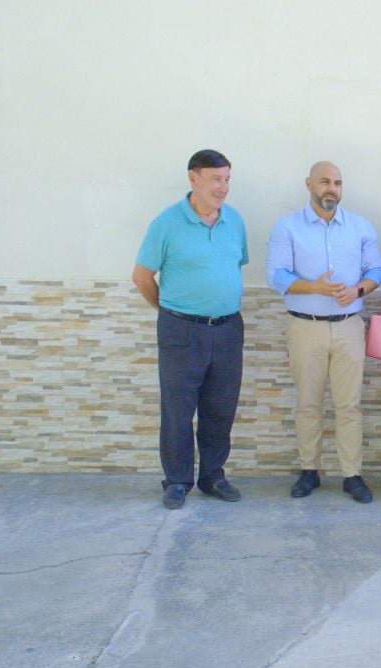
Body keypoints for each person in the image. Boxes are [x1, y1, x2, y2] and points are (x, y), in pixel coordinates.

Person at [132, 149, 248, 509]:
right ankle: (178, 480)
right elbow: (142, 277)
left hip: (228, 329)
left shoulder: (235, 222)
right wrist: (169, 311)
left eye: (227, 179)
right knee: (178, 408)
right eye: (216, 179)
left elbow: (234, 267)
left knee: (220, 406)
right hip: (181, 330)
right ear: (193, 178)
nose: (223, 187)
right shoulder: (167, 223)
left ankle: (213, 476)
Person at [265, 161, 381, 505]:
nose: (332, 188)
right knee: (308, 403)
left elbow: (376, 268)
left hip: (348, 327)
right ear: (309, 184)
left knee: (350, 405)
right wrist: (313, 287)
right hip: (305, 326)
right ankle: (309, 470)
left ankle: (352, 474)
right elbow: (276, 275)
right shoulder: (287, 227)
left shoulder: (360, 227)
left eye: (337, 183)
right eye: (325, 182)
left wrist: (359, 290)